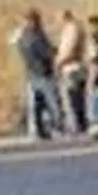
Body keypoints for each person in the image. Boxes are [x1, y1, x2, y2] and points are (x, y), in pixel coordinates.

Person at [15, 9, 61, 140]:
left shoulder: (22, 36)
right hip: (43, 72)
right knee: (51, 102)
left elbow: (22, 52)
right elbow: (45, 52)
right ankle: (56, 126)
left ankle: (38, 129)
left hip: (31, 73)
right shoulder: (36, 36)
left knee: (36, 104)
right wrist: (54, 51)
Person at [56, 10, 88, 135]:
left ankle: (75, 125)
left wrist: (59, 62)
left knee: (72, 97)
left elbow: (71, 50)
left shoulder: (72, 29)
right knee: (78, 97)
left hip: (71, 67)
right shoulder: (74, 28)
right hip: (75, 66)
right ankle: (80, 123)